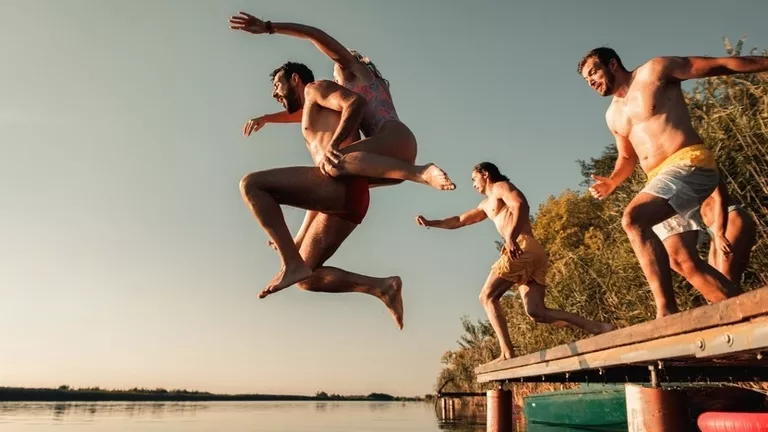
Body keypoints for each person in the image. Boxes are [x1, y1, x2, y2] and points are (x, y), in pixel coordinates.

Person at [577, 47, 768, 318]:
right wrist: (612, 182)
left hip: (689, 162)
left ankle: (666, 311)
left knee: (633, 219)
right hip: (659, 179)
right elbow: (627, 157)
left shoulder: (655, 71)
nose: (592, 81)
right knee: (682, 260)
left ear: (613, 64)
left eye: (594, 72)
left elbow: (721, 64)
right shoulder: (613, 116)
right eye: (587, 80)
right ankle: (747, 315)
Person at [239, 61, 403, 329]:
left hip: (343, 184)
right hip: (349, 199)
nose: (273, 93)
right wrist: (267, 118)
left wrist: (335, 144)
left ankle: (290, 261)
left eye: (276, 85)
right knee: (306, 278)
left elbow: (356, 103)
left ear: (295, 79)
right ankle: (382, 287)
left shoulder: (316, 88)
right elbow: (298, 114)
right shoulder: (313, 107)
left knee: (252, 185)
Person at [229, 11, 455, 191]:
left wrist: (270, 27)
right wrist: (267, 119)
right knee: (328, 179)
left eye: (336, 75)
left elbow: (314, 34)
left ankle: (421, 172)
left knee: (332, 161)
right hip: (392, 153)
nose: (335, 79)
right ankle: (300, 239)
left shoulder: (353, 70)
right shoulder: (372, 83)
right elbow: (304, 113)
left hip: (393, 139)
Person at [415, 162, 615, 362]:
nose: (473, 184)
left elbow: (521, 204)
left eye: (474, 179)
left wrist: (511, 237)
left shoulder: (500, 187)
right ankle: (599, 327)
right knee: (536, 312)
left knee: (487, 297)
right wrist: (432, 223)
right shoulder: (486, 204)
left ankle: (507, 352)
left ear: (485, 174)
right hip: (533, 252)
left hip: (521, 246)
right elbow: (460, 220)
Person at [696, 181, 756, 290]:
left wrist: (719, 233)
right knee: (718, 285)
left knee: (727, 279)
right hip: (712, 229)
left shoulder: (701, 166)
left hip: (728, 218)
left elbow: (719, 197)